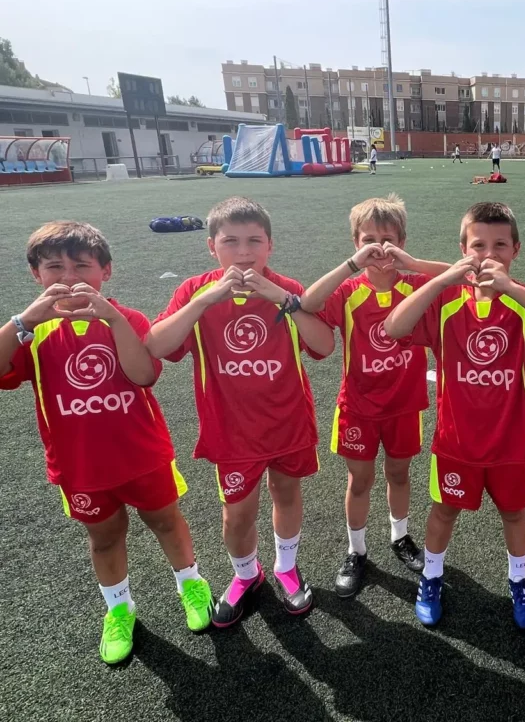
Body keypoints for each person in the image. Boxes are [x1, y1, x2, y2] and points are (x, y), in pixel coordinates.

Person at [0, 221, 213, 664]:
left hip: (144, 456)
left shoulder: (127, 318)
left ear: (106, 272)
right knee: (104, 538)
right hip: (80, 466)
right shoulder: (31, 332)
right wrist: (22, 321)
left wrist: (112, 318)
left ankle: (190, 583)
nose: (68, 277)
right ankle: (119, 608)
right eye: (54, 267)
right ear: (35, 275)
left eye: (82, 265)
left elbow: (144, 375)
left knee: (167, 522)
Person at [384, 202, 525, 629]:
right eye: (478, 245)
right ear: (462, 249)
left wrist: (512, 289)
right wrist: (442, 278)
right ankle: (432, 577)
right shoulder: (447, 301)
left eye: (500, 245)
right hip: (456, 442)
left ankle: (520, 579)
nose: (488, 254)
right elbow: (395, 328)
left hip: (511, 441)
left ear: (516, 250)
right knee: (443, 512)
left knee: (515, 513)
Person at [147, 197, 335, 628]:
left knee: (286, 494)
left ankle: (286, 568)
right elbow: (157, 346)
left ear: (270, 245)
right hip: (231, 432)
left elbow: (323, 346)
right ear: (212, 246)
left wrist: (284, 299)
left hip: (289, 423)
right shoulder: (196, 291)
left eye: (254, 240)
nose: (244, 252)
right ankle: (246, 574)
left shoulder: (286, 287)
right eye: (231, 241)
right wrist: (203, 301)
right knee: (237, 513)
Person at [301, 195, 450, 599]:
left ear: (401, 241)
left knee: (399, 474)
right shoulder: (348, 290)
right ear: (356, 243)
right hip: (359, 408)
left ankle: (400, 537)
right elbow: (308, 304)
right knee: (360, 479)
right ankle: (356, 550)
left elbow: (461, 275)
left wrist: (412, 263)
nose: (380, 248)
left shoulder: (417, 285)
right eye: (369, 239)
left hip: (405, 405)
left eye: (388, 239)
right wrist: (353, 264)